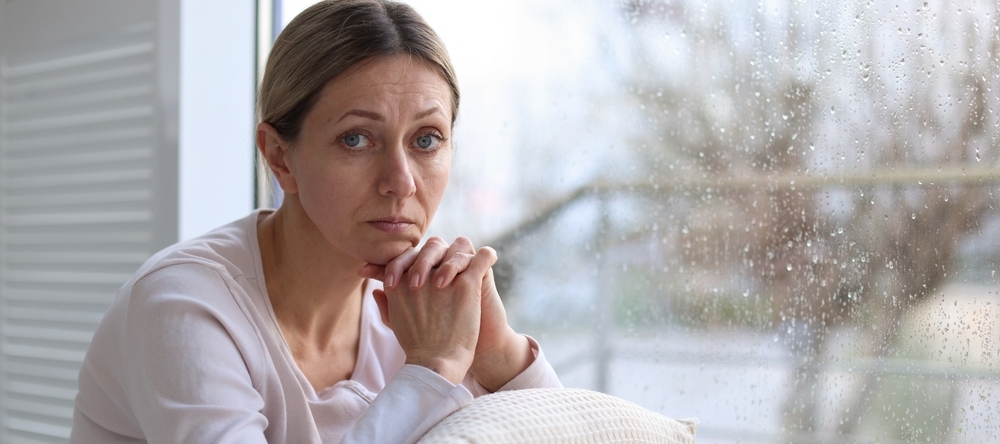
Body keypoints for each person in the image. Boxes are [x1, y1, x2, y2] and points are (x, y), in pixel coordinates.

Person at [69, 1, 561, 442]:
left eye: (426, 140)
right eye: (356, 139)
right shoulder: (184, 305)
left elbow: (574, 431)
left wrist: (498, 353)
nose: (401, 182)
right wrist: (432, 368)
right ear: (280, 157)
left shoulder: (421, 312)